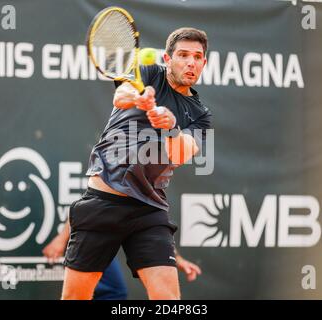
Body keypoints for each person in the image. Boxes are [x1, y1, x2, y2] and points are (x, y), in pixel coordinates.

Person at [61, 27, 211, 300]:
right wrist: (139, 99)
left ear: (204, 63)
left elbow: (182, 154)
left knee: (168, 300)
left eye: (197, 57)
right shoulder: (150, 73)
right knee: (75, 297)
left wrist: (172, 128)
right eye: (183, 55)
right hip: (103, 201)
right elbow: (121, 95)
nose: (191, 62)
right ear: (167, 59)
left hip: (148, 211)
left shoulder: (199, 114)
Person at [43, 218, 202, 299]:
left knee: (114, 292)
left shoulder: (152, 195)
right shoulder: (112, 171)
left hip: (120, 228)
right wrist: (61, 238)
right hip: (95, 234)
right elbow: (85, 205)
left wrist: (178, 259)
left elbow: (158, 232)